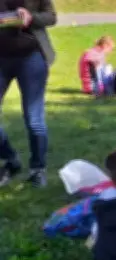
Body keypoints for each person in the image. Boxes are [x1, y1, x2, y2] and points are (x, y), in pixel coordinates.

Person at [0, 0, 57, 188]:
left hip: (31, 57)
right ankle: (10, 159)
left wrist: (32, 18)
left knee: (34, 119)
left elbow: (51, 16)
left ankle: (37, 169)